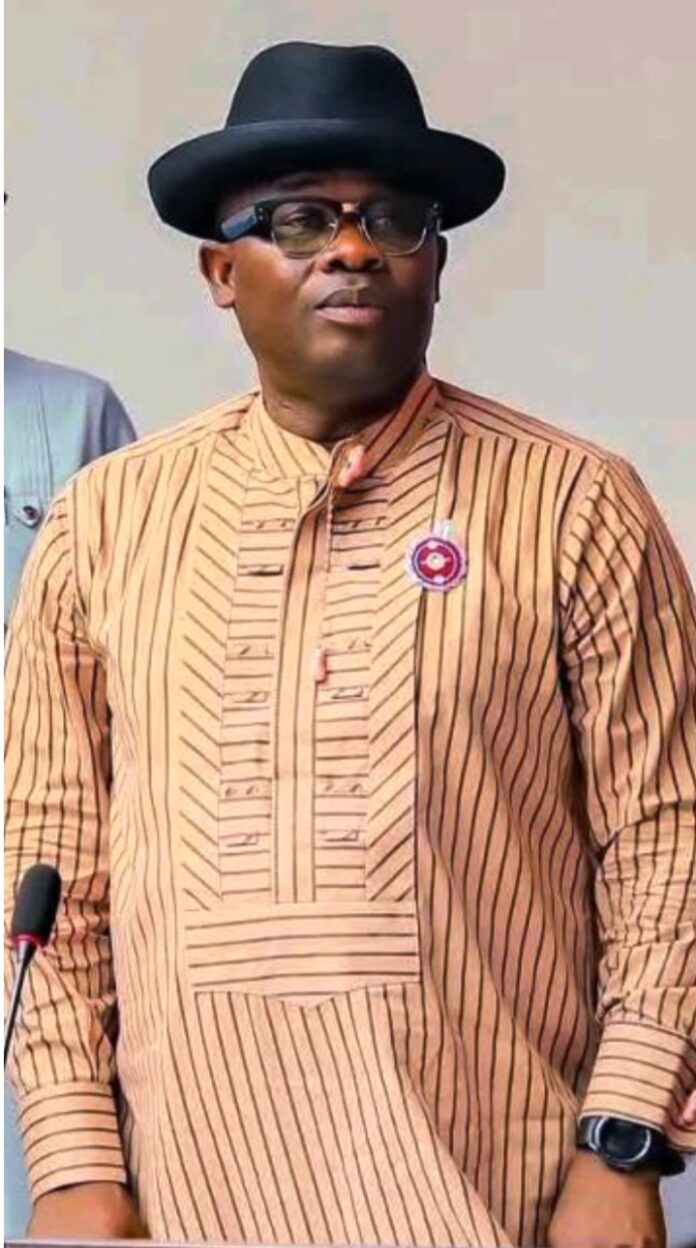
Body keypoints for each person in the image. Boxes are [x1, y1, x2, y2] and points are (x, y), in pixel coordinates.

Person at [4, 41, 695, 1248]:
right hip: (185, 1204)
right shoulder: (105, 521)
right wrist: (71, 1160)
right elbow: (47, 859)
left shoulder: (576, 506)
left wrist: (624, 1139)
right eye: (301, 219)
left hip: (511, 1197)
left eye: (393, 220)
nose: (355, 250)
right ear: (221, 272)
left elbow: (668, 837)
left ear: (439, 262)